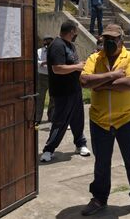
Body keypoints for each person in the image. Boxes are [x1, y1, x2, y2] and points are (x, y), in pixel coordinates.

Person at [79, 24, 130, 216]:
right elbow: (85, 82)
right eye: (106, 39)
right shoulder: (94, 58)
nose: (109, 42)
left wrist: (101, 83)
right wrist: (113, 76)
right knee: (101, 163)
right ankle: (99, 199)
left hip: (127, 119)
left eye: (113, 39)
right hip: (99, 121)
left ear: (121, 40)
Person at [40, 21, 91, 162]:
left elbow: (74, 64)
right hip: (62, 92)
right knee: (60, 121)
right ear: (71, 31)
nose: (76, 35)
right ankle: (49, 149)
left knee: (77, 120)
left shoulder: (71, 46)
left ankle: (80, 144)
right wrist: (77, 67)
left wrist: (80, 66)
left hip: (75, 90)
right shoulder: (57, 45)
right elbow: (57, 68)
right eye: (76, 32)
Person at [35, 35, 54, 126]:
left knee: (53, 98)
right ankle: (37, 118)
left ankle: (51, 116)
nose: (48, 43)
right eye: (46, 41)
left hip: (52, 77)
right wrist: (42, 62)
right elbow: (35, 61)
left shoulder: (55, 51)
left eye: (50, 41)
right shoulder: (39, 51)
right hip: (42, 77)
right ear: (44, 42)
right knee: (40, 98)